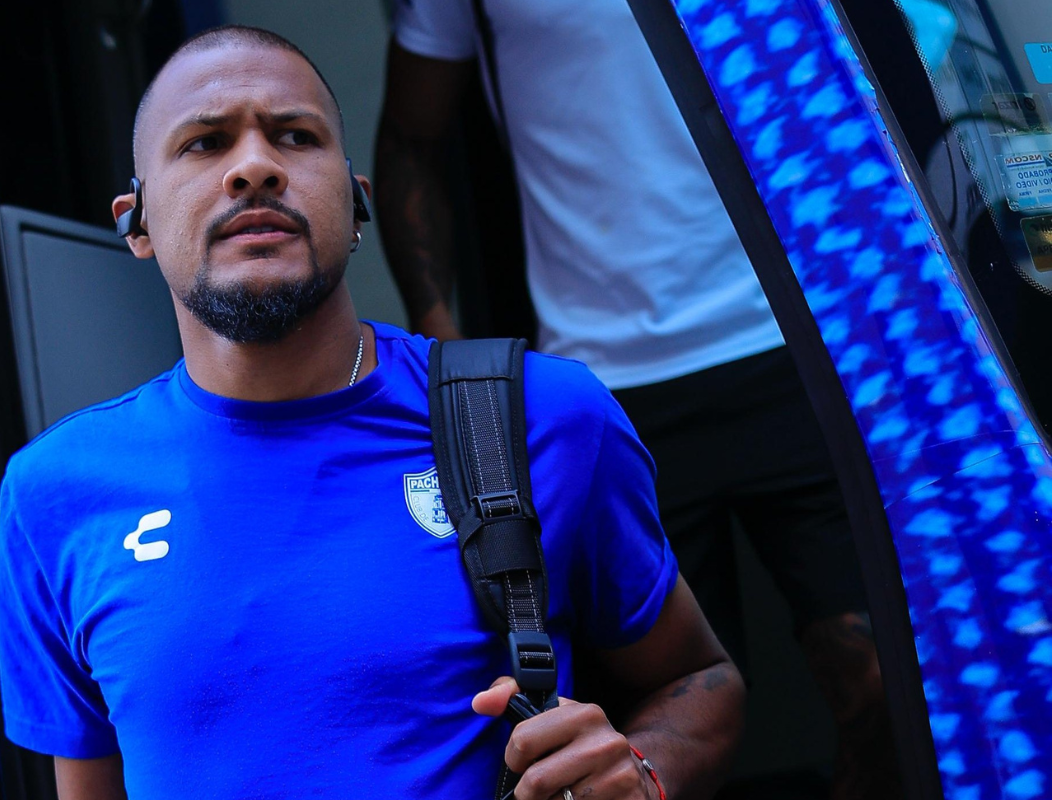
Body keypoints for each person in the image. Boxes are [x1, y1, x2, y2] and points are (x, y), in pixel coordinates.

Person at [0, 25, 743, 799]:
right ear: (137, 223)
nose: (254, 167)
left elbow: (703, 682)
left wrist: (641, 773)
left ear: (357, 206)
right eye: (205, 143)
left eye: (295, 136)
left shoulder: (539, 415)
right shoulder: (53, 493)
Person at [372, 2, 893, 797]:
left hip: (791, 339)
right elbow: (411, 137)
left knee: (879, 678)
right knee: (654, 718)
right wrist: (439, 345)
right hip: (607, 386)